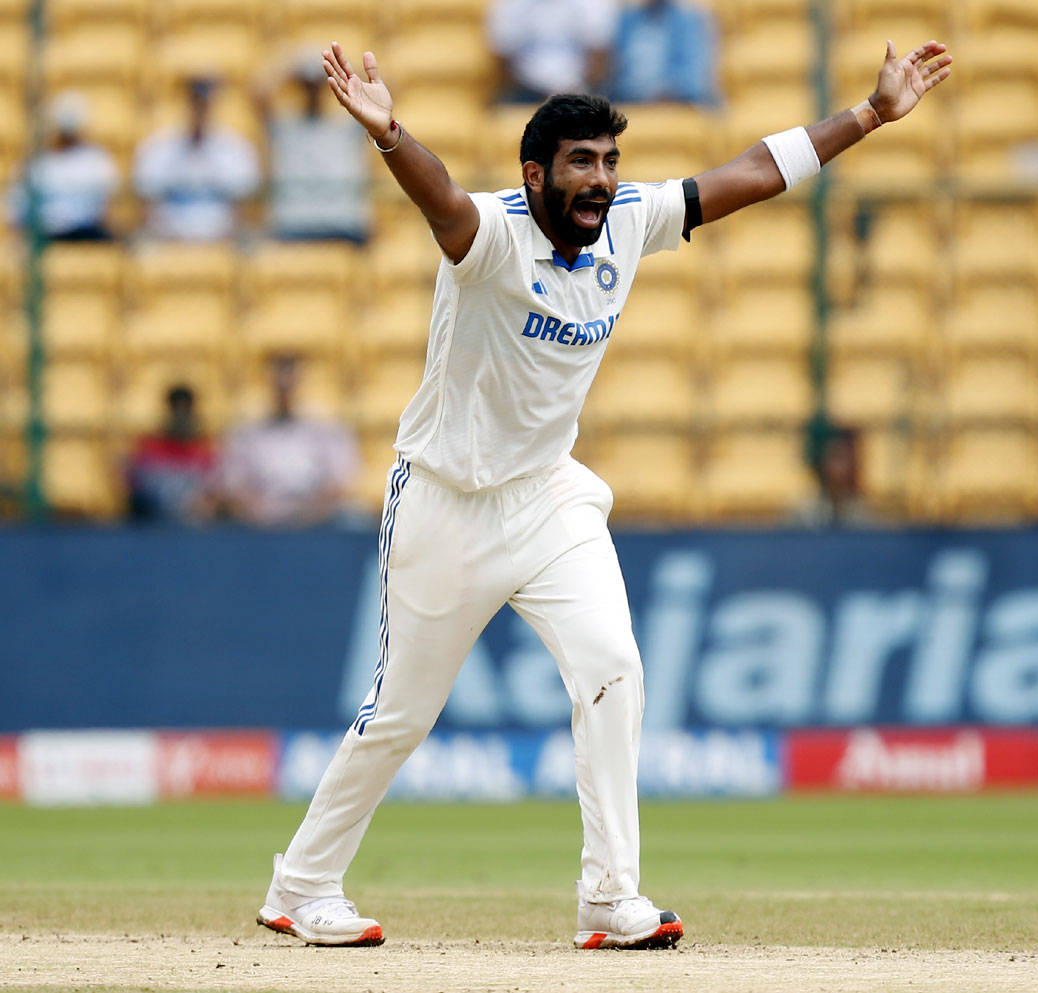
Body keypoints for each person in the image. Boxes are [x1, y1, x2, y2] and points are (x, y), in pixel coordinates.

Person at [256, 37, 952, 950]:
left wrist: (868, 114)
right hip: (445, 500)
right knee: (401, 714)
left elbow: (747, 172)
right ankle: (300, 885)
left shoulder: (627, 220)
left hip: (548, 497)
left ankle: (610, 897)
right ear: (535, 173)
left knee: (614, 668)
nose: (603, 180)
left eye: (611, 161)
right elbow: (444, 205)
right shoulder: (494, 234)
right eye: (581, 163)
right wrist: (391, 136)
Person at [219, 354, 360, 527]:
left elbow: (339, 482)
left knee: (356, 521)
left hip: (318, 518)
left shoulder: (326, 427)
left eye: (289, 384)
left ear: (298, 384)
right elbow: (234, 484)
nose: (284, 391)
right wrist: (258, 512)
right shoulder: (246, 432)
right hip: (260, 521)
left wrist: (310, 513)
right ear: (269, 385)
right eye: (279, 385)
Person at [258, 53, 370, 243]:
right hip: (293, 225)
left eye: (318, 84)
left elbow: (383, 95)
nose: (313, 91)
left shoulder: (345, 127)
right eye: (307, 85)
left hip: (343, 224)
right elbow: (258, 96)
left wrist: (338, 68)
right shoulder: (285, 127)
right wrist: (294, 64)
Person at [132, 76, 260, 241]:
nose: (199, 109)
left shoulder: (236, 149)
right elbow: (147, 207)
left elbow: (243, 209)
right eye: (195, 102)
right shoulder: (158, 147)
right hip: (169, 245)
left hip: (222, 245)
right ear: (186, 103)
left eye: (204, 103)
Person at [6, 91, 120, 241]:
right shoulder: (35, 162)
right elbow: (15, 210)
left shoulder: (97, 160)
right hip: (45, 234)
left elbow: (108, 209)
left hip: (85, 233)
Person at [487, 0, 618, 102]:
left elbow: (600, 59)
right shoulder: (510, 4)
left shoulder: (592, 3)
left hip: (580, 91)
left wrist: (572, 91)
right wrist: (539, 93)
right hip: (525, 93)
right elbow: (502, 61)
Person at [126, 384, 218, 524]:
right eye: (176, 409)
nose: (180, 415)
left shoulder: (206, 450)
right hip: (156, 527)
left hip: (198, 528)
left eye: (185, 409)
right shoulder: (149, 448)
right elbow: (138, 494)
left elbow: (216, 494)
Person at [606, 0, 720, 106]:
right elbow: (614, 78)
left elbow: (694, 80)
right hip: (630, 104)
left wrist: (663, 93)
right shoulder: (626, 20)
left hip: (673, 107)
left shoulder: (688, 21)